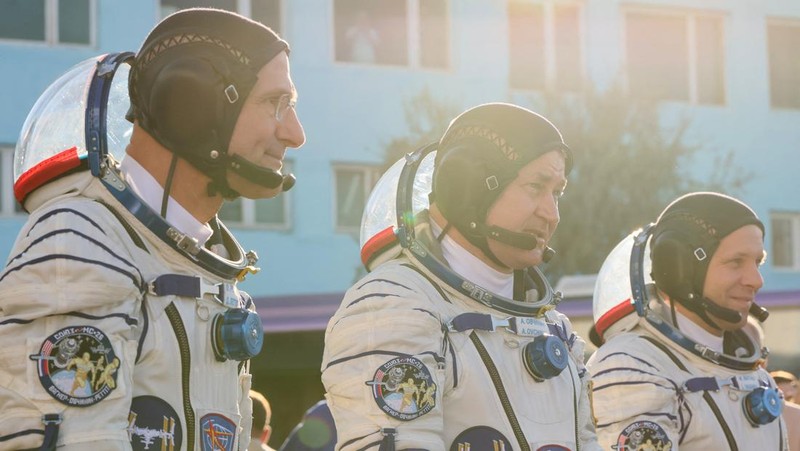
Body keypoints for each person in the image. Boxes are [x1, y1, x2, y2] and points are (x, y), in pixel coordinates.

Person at [0, 7, 304, 450]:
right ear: (193, 105)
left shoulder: (204, 267)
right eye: (275, 103)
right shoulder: (80, 244)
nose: (295, 134)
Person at [321, 103, 601, 449]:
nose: (551, 214)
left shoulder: (555, 329)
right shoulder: (393, 306)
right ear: (468, 187)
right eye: (535, 186)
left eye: (556, 192)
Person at [587, 192, 787, 449]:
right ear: (681, 270)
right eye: (736, 262)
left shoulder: (747, 366)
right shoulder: (633, 366)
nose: (756, 280)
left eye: (757, 262)